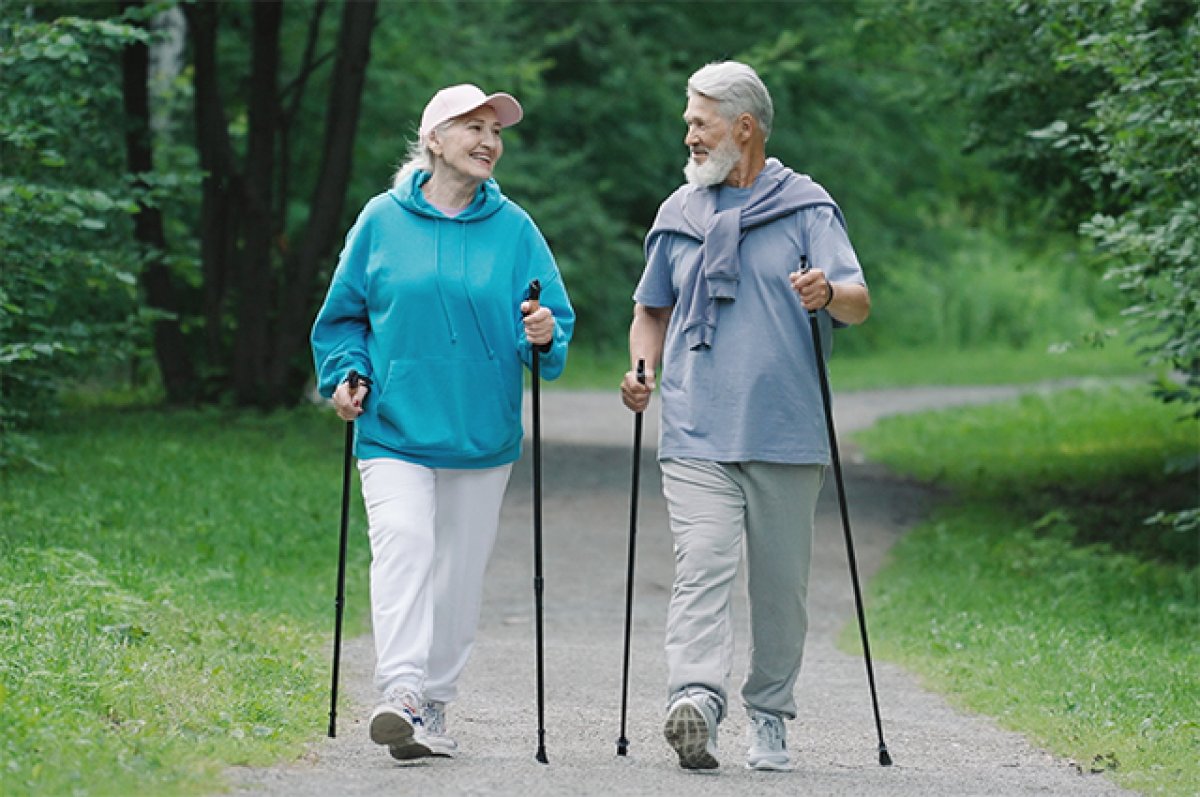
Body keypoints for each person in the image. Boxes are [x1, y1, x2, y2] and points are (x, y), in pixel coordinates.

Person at [620, 60, 870, 773]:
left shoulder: (807, 209)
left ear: (744, 127)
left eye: (700, 122)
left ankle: (770, 713)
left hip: (785, 430)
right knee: (701, 564)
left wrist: (827, 292)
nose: (690, 135)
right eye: (689, 123)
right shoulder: (680, 213)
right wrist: (642, 369)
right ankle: (696, 699)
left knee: (780, 589)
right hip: (696, 426)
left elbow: (858, 300)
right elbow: (651, 309)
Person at [311, 83, 574, 761]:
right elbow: (343, 317)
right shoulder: (380, 219)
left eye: (496, 130)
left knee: (457, 571)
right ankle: (399, 691)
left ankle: (433, 702)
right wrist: (346, 374)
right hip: (393, 423)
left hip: (480, 432)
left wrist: (542, 333)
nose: (489, 140)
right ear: (433, 139)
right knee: (403, 540)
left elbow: (552, 327)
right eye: (473, 127)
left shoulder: (515, 229)